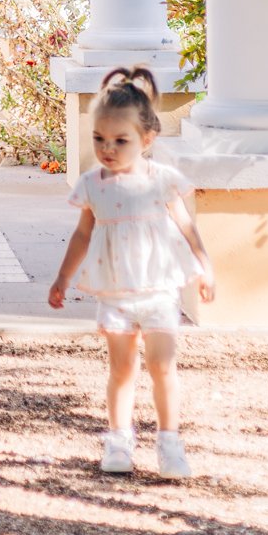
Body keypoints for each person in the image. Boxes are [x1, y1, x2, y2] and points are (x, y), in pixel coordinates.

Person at [48, 65, 214, 478]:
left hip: (158, 290)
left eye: (120, 141)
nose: (108, 148)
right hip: (116, 294)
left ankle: (170, 443)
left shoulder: (161, 181)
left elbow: (185, 225)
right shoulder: (92, 184)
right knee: (121, 370)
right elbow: (82, 235)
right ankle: (119, 439)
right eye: (99, 139)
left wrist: (205, 267)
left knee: (162, 366)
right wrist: (63, 278)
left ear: (146, 139)